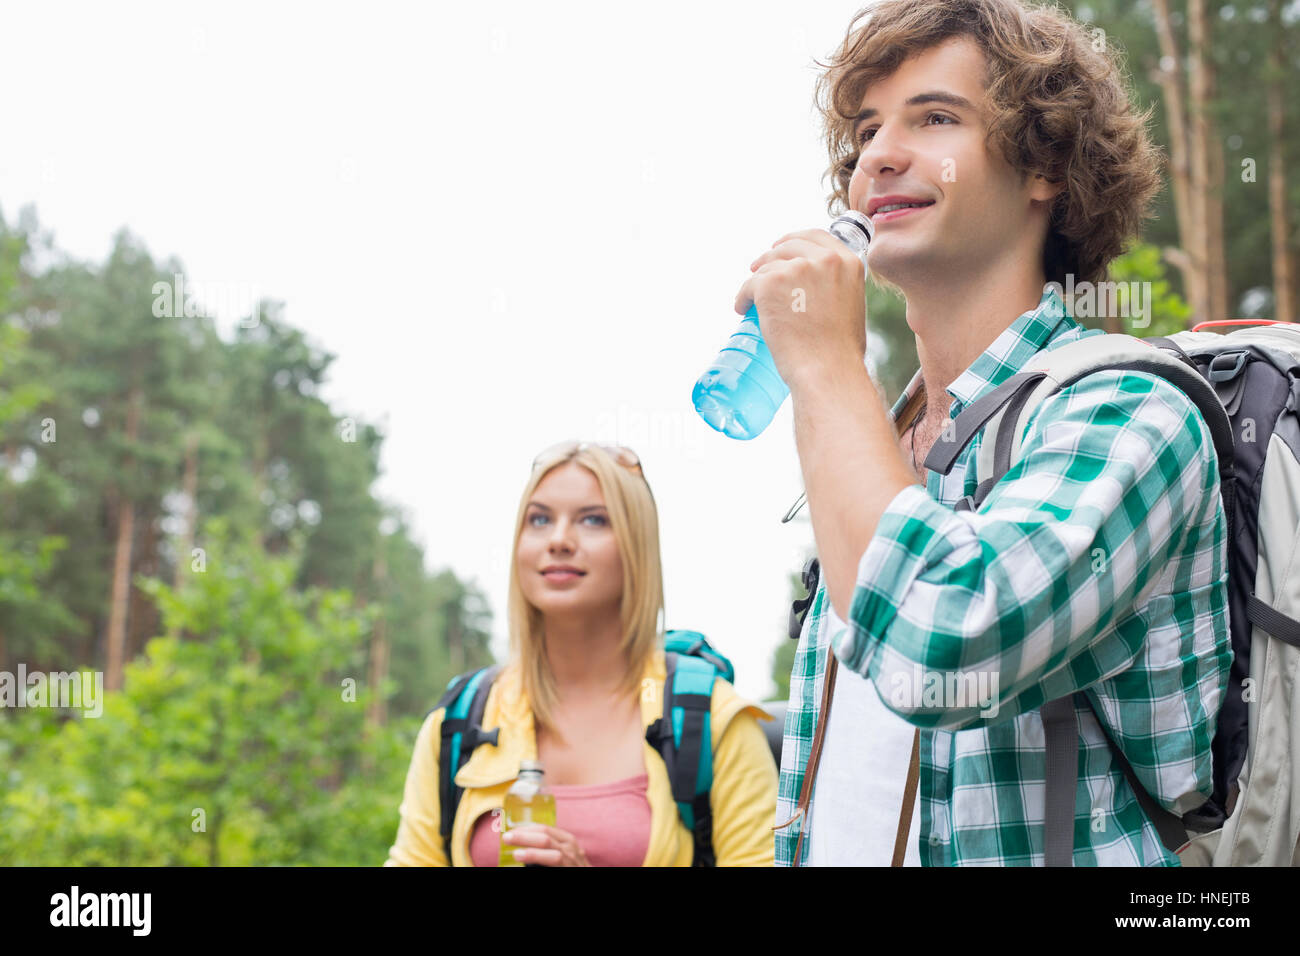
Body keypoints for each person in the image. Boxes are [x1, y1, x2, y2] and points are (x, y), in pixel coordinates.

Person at [743, 0, 1231, 865]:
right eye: (864, 130)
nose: (877, 156)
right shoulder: (875, 445)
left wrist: (824, 368)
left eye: (935, 118)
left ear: (1044, 165)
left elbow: (937, 643)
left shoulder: (1129, 412)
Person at [385, 441, 778, 866]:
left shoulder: (714, 722)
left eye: (593, 519)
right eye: (539, 519)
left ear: (637, 547)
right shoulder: (459, 722)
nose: (558, 540)